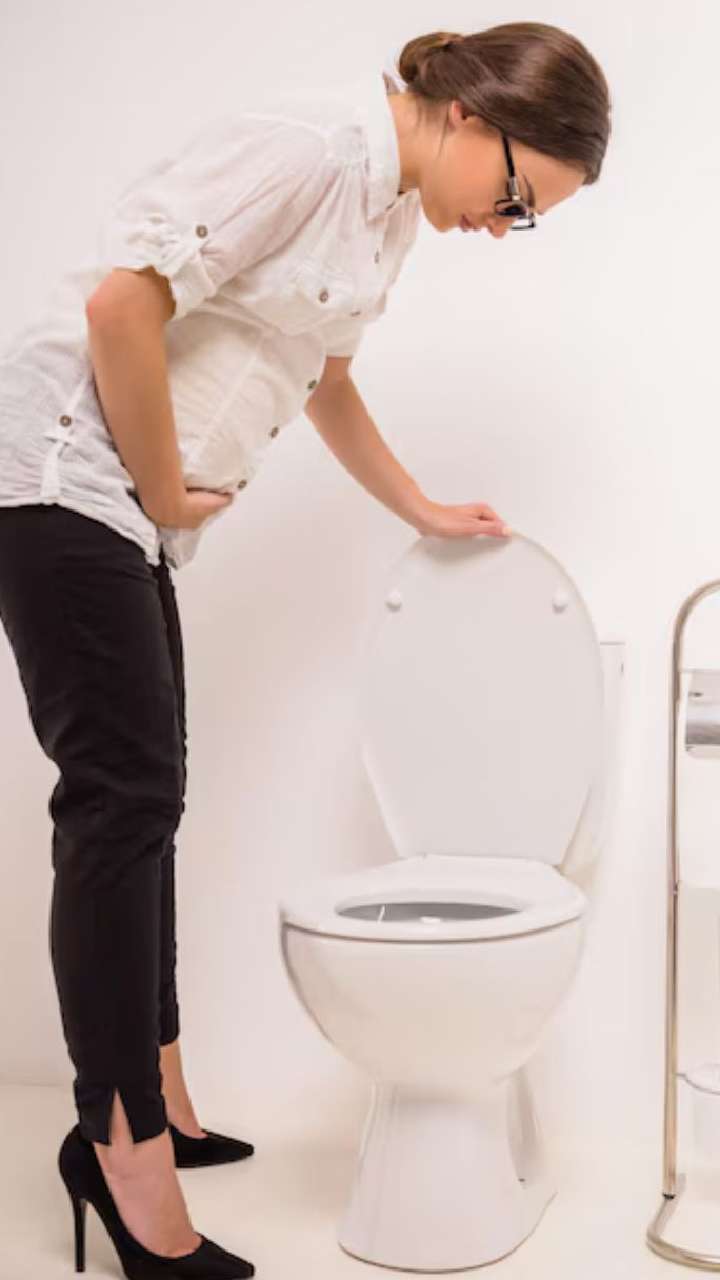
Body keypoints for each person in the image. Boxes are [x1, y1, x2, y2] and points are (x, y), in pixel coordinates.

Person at [0, 22, 612, 1278]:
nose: (506, 228)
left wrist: (421, 508)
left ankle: (160, 1098)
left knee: (149, 794)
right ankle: (122, 1157)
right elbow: (123, 303)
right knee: (122, 800)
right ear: (470, 113)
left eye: (529, 219)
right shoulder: (311, 148)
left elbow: (322, 377)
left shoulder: (387, 214)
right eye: (516, 196)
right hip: (64, 480)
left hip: (128, 511)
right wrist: (160, 484)